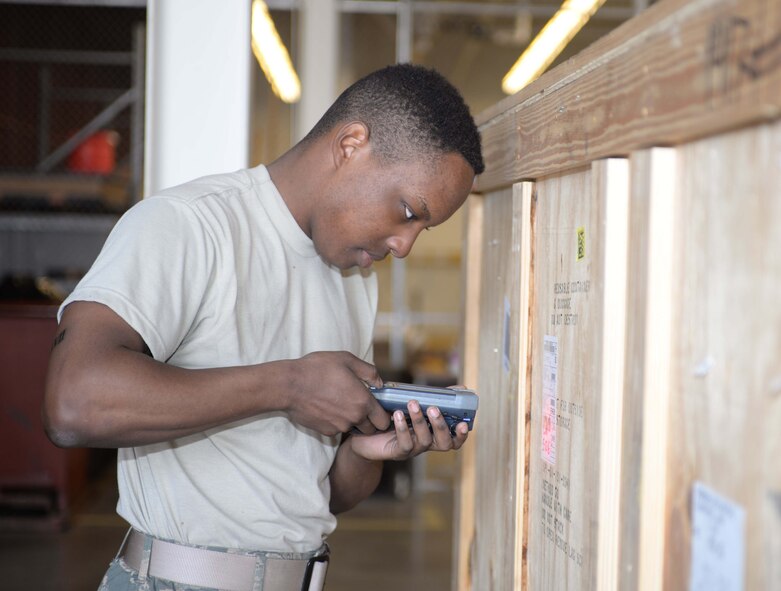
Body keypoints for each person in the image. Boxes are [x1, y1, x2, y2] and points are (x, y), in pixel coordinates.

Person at [43, 63, 485, 591]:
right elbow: (74, 402)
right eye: (408, 211)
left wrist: (368, 450)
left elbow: (323, 496)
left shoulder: (351, 278)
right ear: (351, 144)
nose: (405, 245)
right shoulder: (189, 225)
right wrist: (288, 385)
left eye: (423, 229)